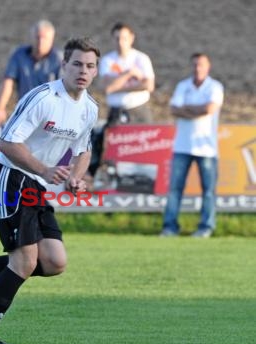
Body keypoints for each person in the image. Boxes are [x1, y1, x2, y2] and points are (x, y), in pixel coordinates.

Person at [0, 37, 100, 344]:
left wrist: (75, 179)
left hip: (36, 185)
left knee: (53, 262)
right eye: (77, 63)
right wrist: (46, 170)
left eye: (90, 66)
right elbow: (8, 143)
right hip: (11, 177)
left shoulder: (89, 108)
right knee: (24, 261)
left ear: (95, 72)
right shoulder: (43, 98)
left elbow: (83, 151)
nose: (83, 70)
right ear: (63, 66)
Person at [160, 53, 224, 238]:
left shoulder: (215, 86)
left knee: (208, 191)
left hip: (207, 148)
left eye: (201, 65)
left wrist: (186, 109)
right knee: (174, 189)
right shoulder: (183, 86)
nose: (198, 68)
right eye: (195, 65)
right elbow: (173, 109)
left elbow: (209, 109)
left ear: (208, 66)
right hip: (182, 146)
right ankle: (170, 227)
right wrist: (198, 110)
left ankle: (206, 227)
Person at [89, 22, 155, 177]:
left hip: (139, 110)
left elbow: (148, 85)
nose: (120, 42)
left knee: (143, 148)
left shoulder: (141, 58)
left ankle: (143, 183)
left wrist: (117, 84)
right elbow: (106, 87)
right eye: (117, 38)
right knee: (115, 149)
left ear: (131, 38)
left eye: (124, 38)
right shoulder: (108, 61)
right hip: (116, 111)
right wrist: (129, 75)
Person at [0, 19, 62, 126]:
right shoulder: (19, 55)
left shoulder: (59, 59)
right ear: (32, 37)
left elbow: (65, 90)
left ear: (51, 40)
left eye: (45, 38)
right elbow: (8, 82)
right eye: (38, 37)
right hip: (25, 112)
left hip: (51, 115)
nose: (40, 42)